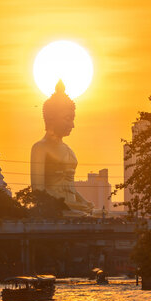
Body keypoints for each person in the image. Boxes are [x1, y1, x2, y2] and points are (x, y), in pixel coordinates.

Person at [30, 80, 93, 215]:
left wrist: (84, 202)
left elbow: (70, 187)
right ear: (51, 117)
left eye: (72, 119)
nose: (72, 125)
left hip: (73, 208)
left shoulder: (68, 149)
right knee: (82, 216)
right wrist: (69, 206)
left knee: (102, 214)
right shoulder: (40, 148)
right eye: (67, 118)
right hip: (53, 211)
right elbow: (38, 192)